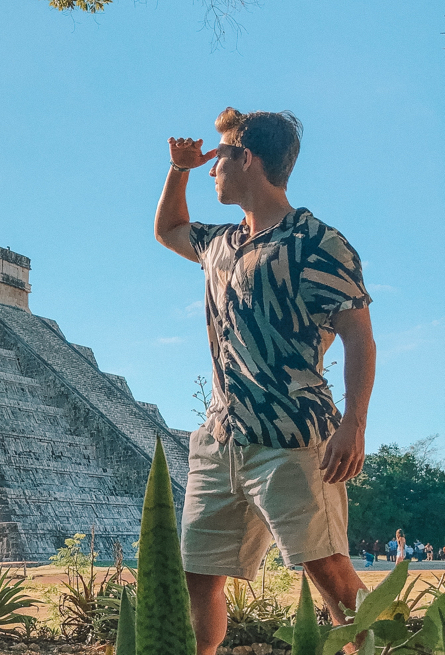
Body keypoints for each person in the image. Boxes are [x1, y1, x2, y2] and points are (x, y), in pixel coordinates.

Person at [155, 108, 377, 655]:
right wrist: (177, 170)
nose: (212, 170)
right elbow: (168, 230)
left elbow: (359, 337)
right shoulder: (220, 243)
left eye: (218, 156)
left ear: (246, 158)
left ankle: (378, 650)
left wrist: (354, 425)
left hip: (294, 439)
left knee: (327, 571)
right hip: (219, 441)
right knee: (198, 577)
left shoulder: (317, 242)